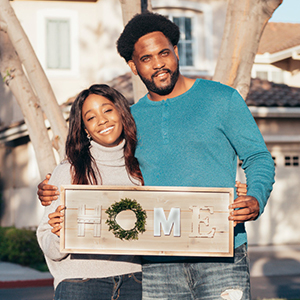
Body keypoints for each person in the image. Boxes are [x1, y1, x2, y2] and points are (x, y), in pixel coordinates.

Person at [38, 12, 275, 300]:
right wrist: (55, 186)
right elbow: (100, 157)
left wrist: (256, 197)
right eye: (146, 58)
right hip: (156, 263)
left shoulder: (222, 99)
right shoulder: (131, 119)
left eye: (164, 53)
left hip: (221, 252)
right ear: (134, 66)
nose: (158, 63)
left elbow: (258, 157)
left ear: (176, 51)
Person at [37, 84, 143, 300]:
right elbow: (47, 241)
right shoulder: (69, 170)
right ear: (85, 128)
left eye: (107, 110)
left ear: (121, 112)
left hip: (136, 282)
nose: (102, 120)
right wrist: (59, 235)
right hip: (80, 283)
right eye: (91, 117)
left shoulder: (142, 170)